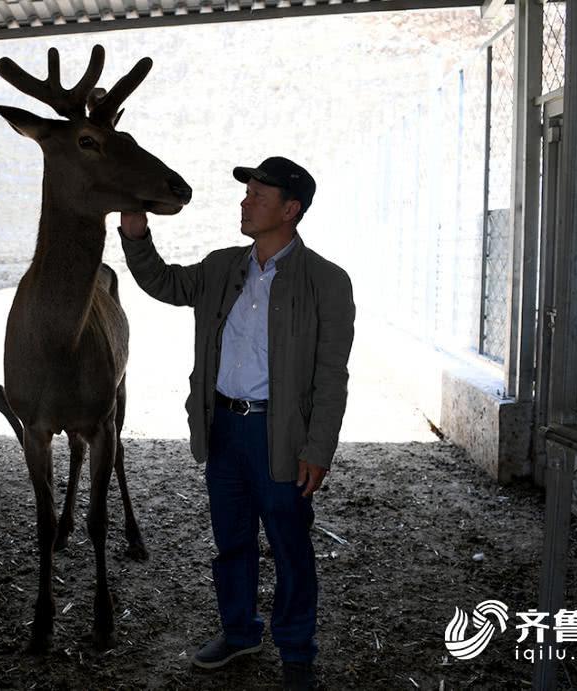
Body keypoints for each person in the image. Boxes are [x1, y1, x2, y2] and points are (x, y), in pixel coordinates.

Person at [118, 156, 354, 690]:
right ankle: (240, 631)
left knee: (290, 546)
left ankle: (296, 652)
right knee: (232, 541)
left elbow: (331, 375)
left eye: (258, 197)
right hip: (223, 427)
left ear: (290, 210)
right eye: (246, 194)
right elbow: (163, 283)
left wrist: (318, 449)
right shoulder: (223, 266)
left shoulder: (326, 282)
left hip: (280, 437)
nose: (245, 204)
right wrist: (136, 230)